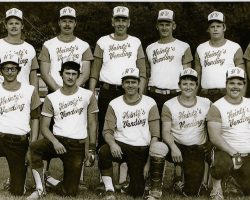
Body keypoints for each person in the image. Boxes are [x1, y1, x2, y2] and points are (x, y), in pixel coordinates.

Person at [89, 5, 147, 187]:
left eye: (124, 20)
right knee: (105, 132)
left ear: (129, 22)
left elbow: (143, 72)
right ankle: (104, 178)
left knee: (128, 130)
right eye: (117, 20)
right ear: (112, 21)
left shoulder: (136, 42)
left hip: (129, 90)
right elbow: (94, 73)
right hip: (107, 90)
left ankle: (124, 177)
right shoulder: (102, 41)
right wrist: (92, 95)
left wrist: (141, 96)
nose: (120, 23)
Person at [38, 6, 94, 187]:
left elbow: (85, 72)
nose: (67, 24)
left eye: (71, 20)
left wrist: (72, 91)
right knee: (47, 136)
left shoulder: (83, 45)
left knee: (79, 132)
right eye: (64, 20)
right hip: (54, 95)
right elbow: (45, 72)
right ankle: (44, 176)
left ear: (75, 23)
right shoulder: (49, 44)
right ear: (59, 23)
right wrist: (59, 92)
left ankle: (79, 178)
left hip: (77, 96)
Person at [27, 61, 98, 199]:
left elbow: (92, 123)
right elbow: (44, 127)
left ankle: (49, 180)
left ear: (78, 75)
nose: (70, 77)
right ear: (61, 74)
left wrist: (91, 150)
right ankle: (40, 189)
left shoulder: (88, 95)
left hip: (77, 144)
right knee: (34, 147)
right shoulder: (52, 97)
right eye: (67, 73)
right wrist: (55, 142)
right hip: (57, 140)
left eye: (74, 74)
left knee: (70, 192)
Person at [145, 68, 212, 199]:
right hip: (176, 146)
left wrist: (210, 142)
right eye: (185, 83)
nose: (188, 87)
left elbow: (212, 126)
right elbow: (165, 132)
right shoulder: (169, 104)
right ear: (179, 85)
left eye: (192, 84)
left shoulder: (206, 103)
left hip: (196, 149)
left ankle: (180, 180)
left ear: (197, 86)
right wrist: (174, 148)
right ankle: (156, 189)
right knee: (158, 147)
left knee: (191, 193)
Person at [98, 67, 160, 199]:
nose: (130, 85)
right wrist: (113, 144)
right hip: (122, 146)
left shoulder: (150, 103)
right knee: (104, 151)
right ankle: (109, 189)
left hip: (142, 148)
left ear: (139, 84)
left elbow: (155, 135)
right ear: (122, 84)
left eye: (133, 82)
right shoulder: (114, 103)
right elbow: (107, 131)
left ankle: (130, 182)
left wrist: (148, 163)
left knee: (136, 192)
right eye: (127, 82)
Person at [0, 53, 41, 196]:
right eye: (6, 69)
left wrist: (33, 145)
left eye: (13, 69)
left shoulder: (29, 90)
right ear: (1, 71)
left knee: (17, 192)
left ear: (18, 70)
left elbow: (36, 118)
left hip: (18, 141)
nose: (10, 72)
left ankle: (19, 181)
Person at [207, 67, 250, 199]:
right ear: (226, 84)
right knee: (222, 164)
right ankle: (216, 187)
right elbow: (214, 137)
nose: (235, 86)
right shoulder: (217, 106)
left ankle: (233, 180)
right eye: (232, 83)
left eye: (239, 83)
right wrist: (234, 153)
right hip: (226, 153)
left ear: (244, 85)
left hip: (247, 153)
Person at [146, 9, 193, 113]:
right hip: (153, 94)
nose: (164, 28)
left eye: (167, 24)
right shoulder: (150, 48)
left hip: (175, 94)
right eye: (161, 24)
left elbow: (187, 76)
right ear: (157, 26)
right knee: (155, 128)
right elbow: (147, 73)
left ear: (173, 26)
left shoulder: (184, 46)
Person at [195, 11, 245, 102]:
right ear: (208, 29)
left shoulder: (235, 47)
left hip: (227, 93)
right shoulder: (200, 48)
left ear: (224, 27)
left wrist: (242, 99)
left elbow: (242, 75)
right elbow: (197, 75)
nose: (215, 29)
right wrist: (193, 97)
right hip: (205, 94)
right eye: (212, 27)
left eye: (218, 26)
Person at [0, 8, 39, 90]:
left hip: (24, 95)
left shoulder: (29, 48)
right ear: (5, 26)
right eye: (10, 23)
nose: (14, 26)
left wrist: (34, 95)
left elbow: (33, 76)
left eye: (17, 23)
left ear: (22, 26)